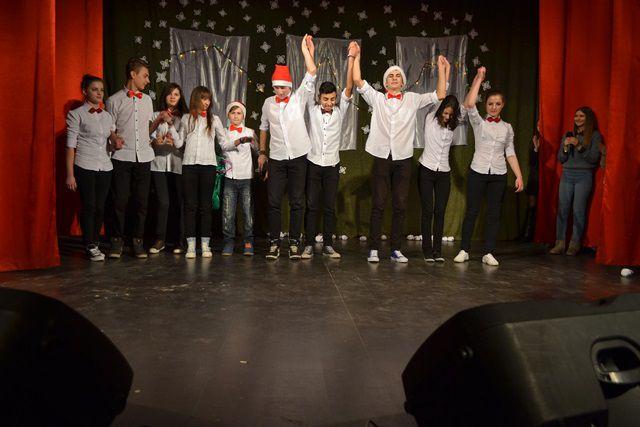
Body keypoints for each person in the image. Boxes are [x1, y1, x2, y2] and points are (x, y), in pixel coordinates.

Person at [353, 51, 447, 263]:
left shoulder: (412, 99)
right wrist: (356, 57)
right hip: (382, 156)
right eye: (390, 76)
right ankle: (374, 249)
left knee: (400, 204)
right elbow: (358, 80)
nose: (394, 78)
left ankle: (396, 249)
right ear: (386, 83)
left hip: (403, 158)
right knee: (378, 203)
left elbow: (440, 94)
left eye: (398, 76)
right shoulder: (377, 99)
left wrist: (441, 69)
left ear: (403, 82)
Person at [453, 67, 524, 266]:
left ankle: (489, 252)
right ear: (485, 105)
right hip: (478, 171)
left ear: (503, 105)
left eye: (497, 104)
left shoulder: (507, 128)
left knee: (494, 214)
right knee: (472, 211)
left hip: (498, 174)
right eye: (490, 103)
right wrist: (478, 78)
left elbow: (510, 152)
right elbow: (469, 104)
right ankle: (464, 249)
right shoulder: (479, 123)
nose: (493, 107)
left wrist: (519, 175)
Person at [258, 34, 317, 260]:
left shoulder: (299, 97)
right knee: (273, 201)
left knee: (297, 201)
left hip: (299, 157)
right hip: (277, 158)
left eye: (283, 87)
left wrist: (306, 51)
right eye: (276, 88)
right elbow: (263, 127)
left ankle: (294, 242)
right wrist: (262, 153)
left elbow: (311, 71)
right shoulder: (268, 104)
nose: (280, 91)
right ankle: (274, 242)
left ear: (289, 86)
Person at [301, 41, 358, 260]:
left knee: (329, 206)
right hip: (313, 163)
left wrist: (351, 59)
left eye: (332, 99)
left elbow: (349, 88)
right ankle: (308, 244)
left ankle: (328, 245)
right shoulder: (312, 109)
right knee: (311, 205)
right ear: (319, 98)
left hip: (332, 165)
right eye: (325, 99)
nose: (329, 103)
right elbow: (309, 78)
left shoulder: (340, 111)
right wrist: (310, 53)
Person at [106, 58, 167, 258]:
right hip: (122, 157)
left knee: (141, 202)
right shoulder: (114, 100)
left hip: (144, 157)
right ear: (133, 74)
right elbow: (109, 129)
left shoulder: (147, 100)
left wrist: (158, 121)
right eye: (145, 76)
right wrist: (114, 138)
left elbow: (145, 130)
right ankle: (117, 241)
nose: (148, 80)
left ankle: (137, 241)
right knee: (120, 200)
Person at [418, 59, 465, 262]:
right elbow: (441, 93)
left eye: (450, 115)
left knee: (440, 211)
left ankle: (437, 250)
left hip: (443, 173)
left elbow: (467, 106)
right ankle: (427, 250)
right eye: (445, 113)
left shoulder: (453, 124)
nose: (447, 117)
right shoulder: (431, 118)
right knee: (427, 210)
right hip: (426, 170)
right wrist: (443, 69)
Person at [65, 74, 114, 261]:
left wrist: (116, 141)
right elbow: (70, 146)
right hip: (85, 164)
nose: (99, 93)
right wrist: (70, 175)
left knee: (100, 207)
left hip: (105, 166)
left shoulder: (107, 116)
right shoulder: (76, 114)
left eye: (101, 90)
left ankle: (95, 241)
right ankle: (89, 244)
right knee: (89, 205)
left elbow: (110, 139)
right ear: (85, 91)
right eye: (95, 89)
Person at [180, 86, 233, 258]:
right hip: (189, 166)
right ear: (196, 99)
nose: (207, 102)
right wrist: (170, 129)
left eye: (208, 99)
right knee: (190, 206)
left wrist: (237, 142)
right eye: (203, 98)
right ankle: (190, 245)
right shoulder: (186, 118)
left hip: (208, 167)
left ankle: (205, 244)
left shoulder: (214, 119)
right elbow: (179, 143)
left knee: (205, 206)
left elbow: (224, 143)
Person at [549, 107, 601, 255]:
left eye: (581, 116)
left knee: (578, 210)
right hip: (567, 174)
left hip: (583, 176)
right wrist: (565, 147)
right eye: (576, 116)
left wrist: (578, 145)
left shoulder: (595, 136)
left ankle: (575, 244)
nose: (578, 118)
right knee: (562, 209)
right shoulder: (568, 134)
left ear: (588, 119)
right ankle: (560, 243)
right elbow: (561, 158)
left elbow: (593, 159)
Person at [149, 83, 188, 254]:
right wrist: (154, 141)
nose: (173, 97)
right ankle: (160, 239)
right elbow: (148, 136)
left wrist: (176, 141)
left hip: (177, 164)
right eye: (170, 94)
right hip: (158, 163)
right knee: (163, 202)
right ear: (164, 96)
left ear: (180, 97)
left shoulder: (184, 118)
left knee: (178, 202)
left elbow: (183, 142)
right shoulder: (155, 115)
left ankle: (180, 241)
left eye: (176, 94)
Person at [221, 101, 258, 256]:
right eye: (233, 113)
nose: (236, 116)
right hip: (230, 177)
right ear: (228, 115)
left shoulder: (250, 131)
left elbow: (257, 150)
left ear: (243, 116)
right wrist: (240, 141)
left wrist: (255, 144)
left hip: (246, 177)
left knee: (247, 212)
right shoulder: (223, 132)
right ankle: (228, 242)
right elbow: (223, 147)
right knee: (228, 213)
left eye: (239, 113)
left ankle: (248, 241)